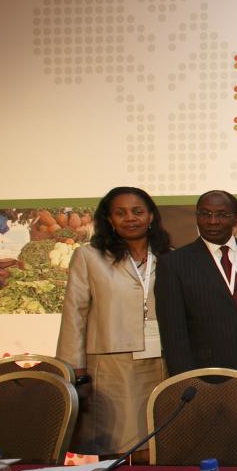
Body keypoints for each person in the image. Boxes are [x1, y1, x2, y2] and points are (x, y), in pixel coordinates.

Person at [55, 188, 171, 456]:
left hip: (162, 362)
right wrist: (74, 369)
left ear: (151, 216)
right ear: (109, 219)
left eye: (137, 211)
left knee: (159, 442)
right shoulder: (89, 256)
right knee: (119, 445)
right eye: (120, 213)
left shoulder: (168, 255)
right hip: (112, 367)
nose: (130, 218)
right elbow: (75, 313)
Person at [155, 190, 237, 387]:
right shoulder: (174, 264)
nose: (212, 221)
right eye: (205, 214)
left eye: (221, 214)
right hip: (205, 379)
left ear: (236, 219)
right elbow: (173, 333)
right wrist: (185, 381)